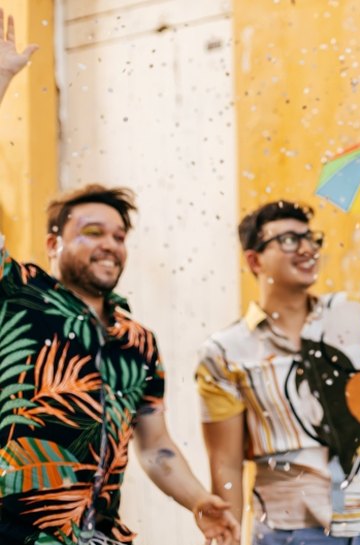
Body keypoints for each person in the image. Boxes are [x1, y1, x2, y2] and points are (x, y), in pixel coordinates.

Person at [0, 13, 239, 545]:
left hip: (100, 537)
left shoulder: (138, 342)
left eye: (118, 233)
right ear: (53, 243)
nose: (109, 243)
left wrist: (200, 500)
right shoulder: (16, 297)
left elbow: (154, 444)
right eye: (90, 231)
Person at [195, 201, 360, 544]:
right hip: (293, 533)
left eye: (311, 238)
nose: (308, 248)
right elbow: (226, 462)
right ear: (254, 260)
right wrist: (228, 537)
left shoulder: (349, 313)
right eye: (289, 240)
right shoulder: (224, 352)